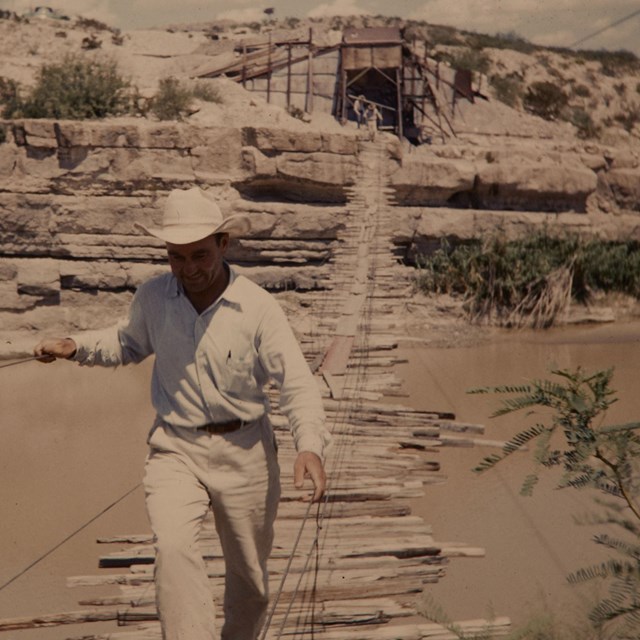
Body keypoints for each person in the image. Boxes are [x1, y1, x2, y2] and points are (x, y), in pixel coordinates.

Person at [34, 187, 331, 640]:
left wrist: (309, 445)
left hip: (246, 453)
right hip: (176, 449)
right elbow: (126, 341)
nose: (188, 269)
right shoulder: (154, 297)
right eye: (176, 257)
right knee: (172, 551)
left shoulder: (258, 308)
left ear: (224, 245)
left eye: (199, 255)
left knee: (250, 585)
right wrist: (75, 346)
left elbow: (295, 382)